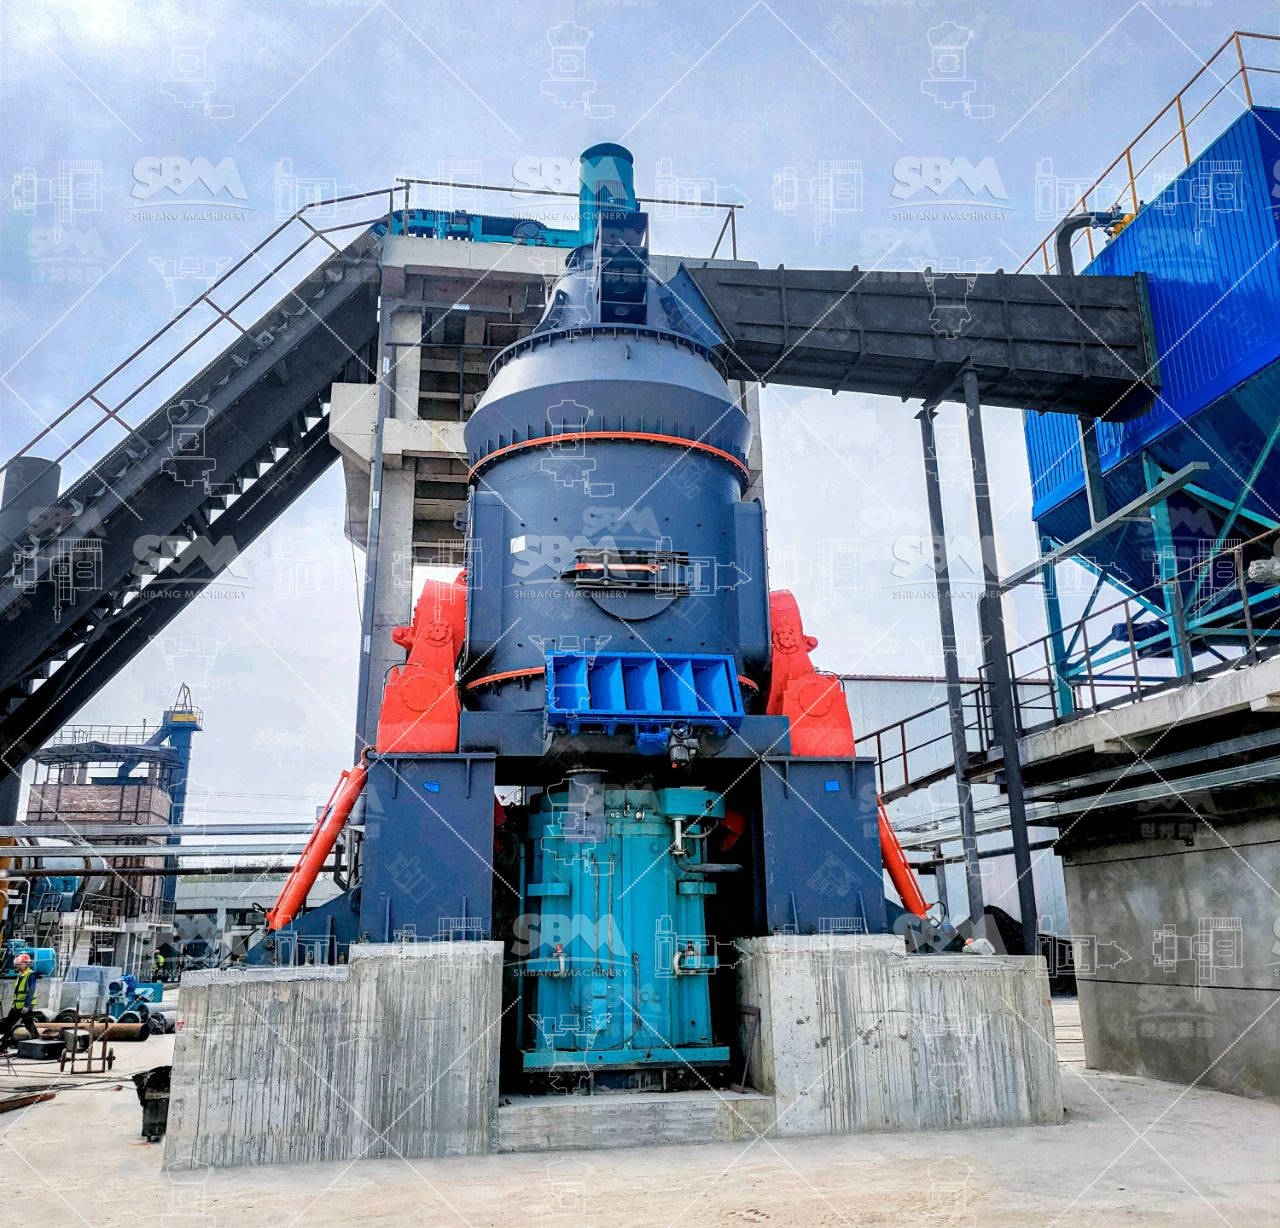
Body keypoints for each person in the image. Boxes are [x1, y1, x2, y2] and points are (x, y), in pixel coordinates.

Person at [0, 953, 41, 1052]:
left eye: (19, 964)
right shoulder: (20, 975)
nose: (17, 966)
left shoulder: (30, 975)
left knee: (9, 1024)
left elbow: (31, 991)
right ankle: (37, 1040)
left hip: (24, 1006)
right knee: (28, 1023)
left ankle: (2, 1046)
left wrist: (26, 1005)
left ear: (25, 964)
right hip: (17, 1005)